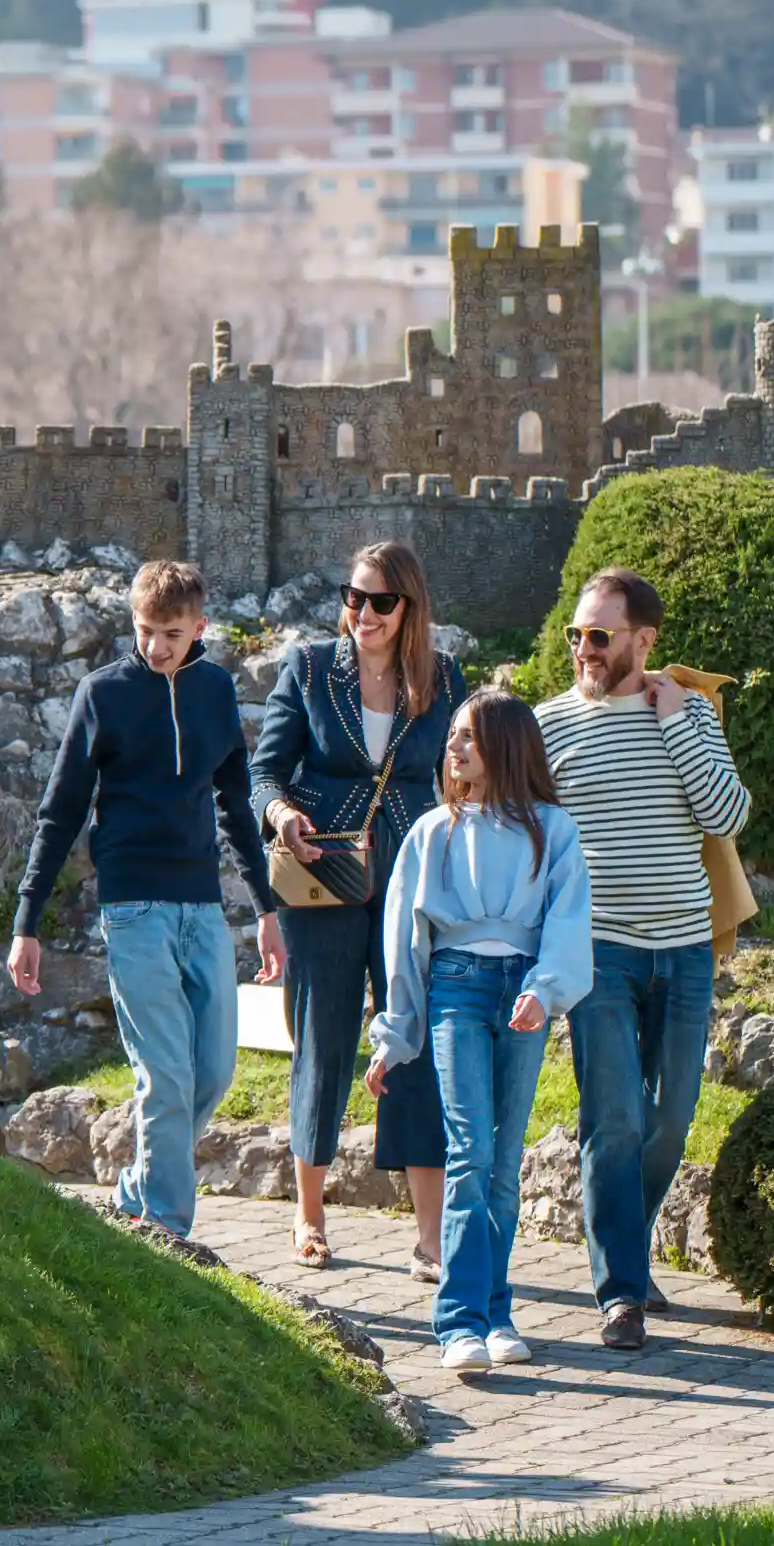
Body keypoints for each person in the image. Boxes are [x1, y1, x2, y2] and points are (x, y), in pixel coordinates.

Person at [10, 556, 277, 1259]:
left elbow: (236, 805)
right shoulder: (103, 695)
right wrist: (26, 921)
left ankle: (136, 1189)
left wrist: (267, 907)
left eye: (170, 633)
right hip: (131, 908)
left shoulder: (217, 691)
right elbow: (60, 811)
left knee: (214, 1071)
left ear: (200, 628)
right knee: (165, 1073)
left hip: (201, 906)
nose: (155, 646)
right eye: (145, 630)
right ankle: (167, 1232)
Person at [535, 565, 753, 1353]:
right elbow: (528, 840)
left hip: (686, 948)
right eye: (576, 635)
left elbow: (729, 812)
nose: (584, 650)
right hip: (600, 954)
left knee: (672, 1117)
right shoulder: (548, 724)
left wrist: (670, 720)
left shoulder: (689, 713)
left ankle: (626, 1237)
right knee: (615, 1119)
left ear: (644, 639)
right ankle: (620, 1291)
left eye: (599, 636)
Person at [250, 539, 464, 1273]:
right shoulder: (309, 669)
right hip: (324, 876)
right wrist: (279, 814)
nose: (362, 613)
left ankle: (430, 1234)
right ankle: (309, 1217)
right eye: (353, 596)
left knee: (412, 1041)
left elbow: (464, 774)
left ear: (409, 608)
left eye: (379, 601)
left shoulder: (443, 679)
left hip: (410, 873)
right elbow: (265, 770)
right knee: (324, 1038)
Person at [365, 691, 593, 1375]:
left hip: (523, 988)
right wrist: (395, 1036)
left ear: (508, 747)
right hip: (457, 989)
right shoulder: (433, 831)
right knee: (468, 1150)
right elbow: (404, 941)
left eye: (470, 737)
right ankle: (458, 1321)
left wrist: (544, 990)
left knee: (503, 1159)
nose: (454, 748)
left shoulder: (553, 830)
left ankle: (497, 1312)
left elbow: (567, 919)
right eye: (453, 737)